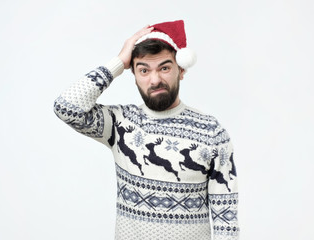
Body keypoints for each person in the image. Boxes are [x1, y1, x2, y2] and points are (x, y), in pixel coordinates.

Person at [54, 20, 239, 240]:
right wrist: (118, 63)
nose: (155, 80)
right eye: (143, 70)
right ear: (133, 75)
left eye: (164, 68)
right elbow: (65, 107)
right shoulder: (120, 124)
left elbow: (226, 221)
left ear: (181, 70)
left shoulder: (212, 133)